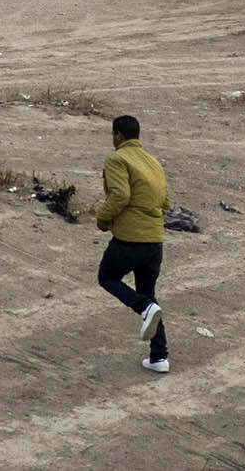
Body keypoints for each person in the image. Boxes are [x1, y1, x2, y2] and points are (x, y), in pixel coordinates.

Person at [95, 114, 171, 374]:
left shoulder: (117, 159)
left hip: (130, 238)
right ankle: (159, 356)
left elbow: (120, 194)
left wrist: (102, 218)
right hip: (155, 240)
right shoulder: (153, 162)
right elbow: (166, 201)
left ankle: (144, 308)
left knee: (107, 277)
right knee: (149, 293)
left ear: (118, 136)